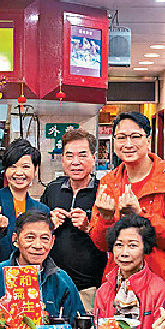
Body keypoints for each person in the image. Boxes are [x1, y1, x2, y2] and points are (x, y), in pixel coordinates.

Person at [90, 111, 165, 291]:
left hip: (163, 285)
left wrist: (140, 215)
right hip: (120, 285)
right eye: (121, 137)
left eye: (135, 136)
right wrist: (105, 219)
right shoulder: (109, 182)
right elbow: (101, 244)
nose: (128, 144)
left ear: (148, 139)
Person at [0, 210, 84, 321]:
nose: (38, 245)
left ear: (52, 242)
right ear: (15, 239)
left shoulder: (61, 280)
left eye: (44, 238)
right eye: (30, 237)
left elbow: (78, 321)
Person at [41, 128, 108, 310]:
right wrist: (49, 224)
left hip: (90, 287)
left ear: (94, 158)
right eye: (69, 156)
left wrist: (89, 226)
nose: (75, 162)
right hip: (52, 285)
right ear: (62, 160)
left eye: (83, 155)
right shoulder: (52, 190)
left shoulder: (104, 191)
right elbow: (37, 230)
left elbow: (112, 235)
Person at [94, 214, 165, 329]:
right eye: (118, 245)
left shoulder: (161, 291)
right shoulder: (104, 291)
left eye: (132, 246)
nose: (124, 253)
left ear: (145, 248)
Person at [0, 139, 49, 264]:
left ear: (35, 170)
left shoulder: (42, 210)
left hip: (28, 276)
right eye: (13, 166)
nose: (18, 172)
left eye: (25, 167)